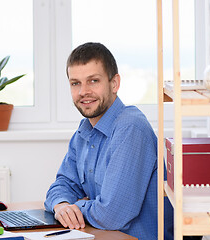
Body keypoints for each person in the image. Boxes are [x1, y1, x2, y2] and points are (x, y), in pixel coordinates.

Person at [44, 42, 175, 239]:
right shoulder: (85, 129)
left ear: (114, 84)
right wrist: (61, 205)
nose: (83, 92)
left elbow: (111, 215)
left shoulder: (130, 128)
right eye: (75, 83)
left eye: (93, 81)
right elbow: (63, 183)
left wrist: (77, 206)